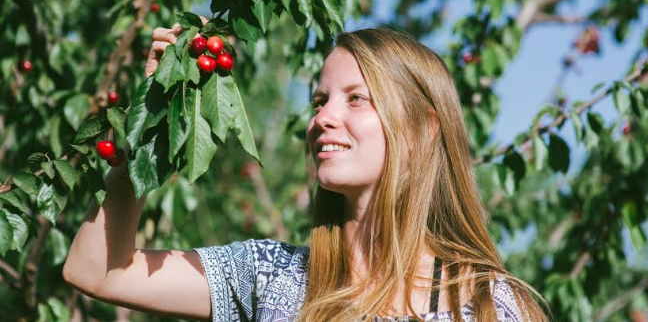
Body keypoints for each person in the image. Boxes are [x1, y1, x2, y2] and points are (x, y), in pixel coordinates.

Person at [63, 24, 548, 322]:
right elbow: (97, 271)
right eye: (320, 100)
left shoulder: (490, 307)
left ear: (423, 129)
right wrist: (152, 124)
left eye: (356, 98)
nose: (322, 117)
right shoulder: (274, 277)